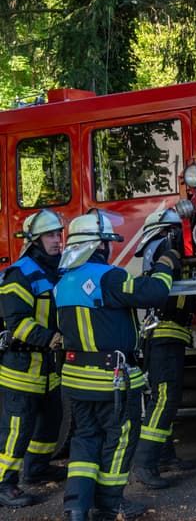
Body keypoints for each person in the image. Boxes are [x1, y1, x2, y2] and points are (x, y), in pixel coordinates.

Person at [54, 210, 180, 521]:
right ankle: (110, 505)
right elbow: (155, 293)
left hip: (75, 379)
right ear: (101, 245)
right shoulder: (109, 277)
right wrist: (166, 264)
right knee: (120, 438)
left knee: (84, 439)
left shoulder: (62, 283)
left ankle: (76, 507)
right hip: (111, 381)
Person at [0, 209, 67, 508]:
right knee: (17, 429)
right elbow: (17, 322)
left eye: (58, 234)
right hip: (22, 368)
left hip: (47, 369)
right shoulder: (21, 273)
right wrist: (50, 338)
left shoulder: (58, 269)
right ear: (35, 240)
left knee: (50, 422)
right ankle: (4, 483)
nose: (57, 240)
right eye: (50, 235)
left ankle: (37, 469)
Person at [131, 209, 196, 489]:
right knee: (165, 400)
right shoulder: (164, 250)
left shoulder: (168, 251)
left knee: (165, 399)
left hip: (171, 334)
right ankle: (145, 464)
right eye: (178, 230)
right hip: (165, 335)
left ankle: (165, 456)